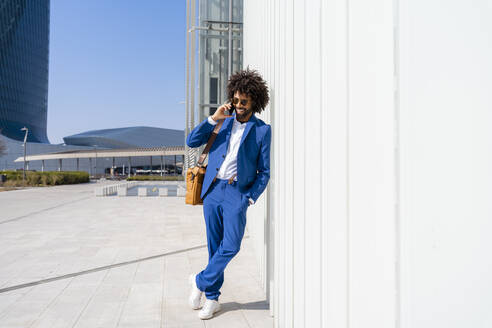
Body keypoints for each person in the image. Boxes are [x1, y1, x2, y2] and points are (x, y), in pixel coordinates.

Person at [186, 68, 271, 320]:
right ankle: (212, 298)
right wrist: (213, 118)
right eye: (235, 100)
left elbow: (265, 171)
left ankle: (198, 280)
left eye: (244, 101)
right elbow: (192, 141)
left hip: (237, 193)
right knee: (214, 245)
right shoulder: (222, 121)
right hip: (213, 189)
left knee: (231, 245)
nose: (239, 105)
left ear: (254, 101)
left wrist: (250, 196)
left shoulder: (262, 131)